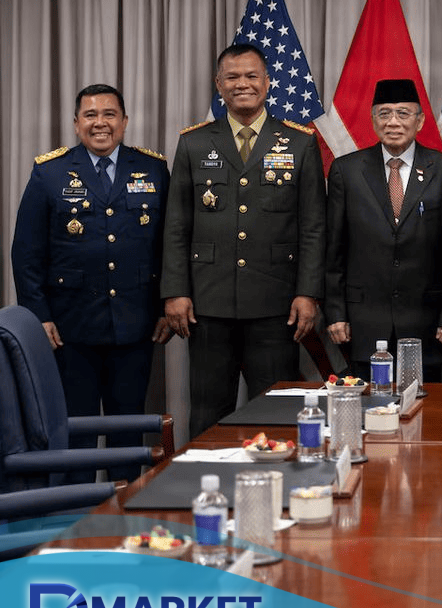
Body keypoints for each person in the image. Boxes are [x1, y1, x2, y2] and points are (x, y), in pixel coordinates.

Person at [161, 43, 325, 435]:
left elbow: (313, 226)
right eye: (232, 77)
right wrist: (175, 291)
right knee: (208, 414)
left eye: (252, 76)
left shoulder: (299, 142)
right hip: (208, 303)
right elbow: (177, 225)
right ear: (219, 85)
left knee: (276, 413)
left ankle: (274, 475)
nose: (242, 84)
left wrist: (308, 292)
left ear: (267, 83)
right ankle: (205, 477)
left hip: (276, 303)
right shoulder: (194, 142)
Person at [12, 84, 172, 482]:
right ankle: (75, 508)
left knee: (128, 428)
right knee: (74, 428)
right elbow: (27, 253)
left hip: (135, 324)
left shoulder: (153, 169)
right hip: (70, 328)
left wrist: (166, 305)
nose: (100, 123)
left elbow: (170, 245)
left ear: (124, 121)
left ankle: (123, 504)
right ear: (76, 123)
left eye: (109, 114)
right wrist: (38, 316)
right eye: (90, 115)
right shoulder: (49, 172)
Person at [326, 79, 442, 384]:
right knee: (367, 404)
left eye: (403, 113)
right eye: (384, 113)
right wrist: (335, 313)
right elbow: (333, 249)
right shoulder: (346, 171)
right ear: (373, 119)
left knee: (426, 407)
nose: (393, 122)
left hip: (427, 323)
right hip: (363, 321)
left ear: (420, 121)